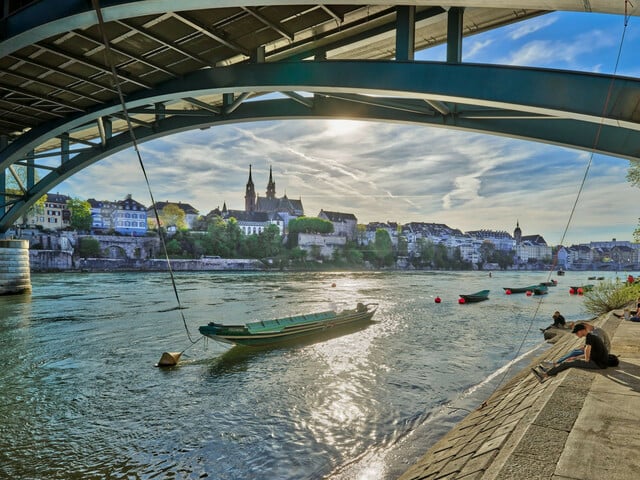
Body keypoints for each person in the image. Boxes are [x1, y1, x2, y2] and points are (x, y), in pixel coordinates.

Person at [532, 324, 609, 383]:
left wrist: (576, 358)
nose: (576, 335)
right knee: (569, 360)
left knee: (567, 363)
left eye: (577, 333)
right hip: (599, 361)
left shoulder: (590, 337)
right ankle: (548, 372)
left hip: (598, 363)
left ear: (582, 330)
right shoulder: (591, 336)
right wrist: (577, 358)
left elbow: (589, 356)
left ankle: (544, 375)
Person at [541, 321, 611, 367]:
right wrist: (584, 347)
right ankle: (555, 363)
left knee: (574, 355)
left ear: (585, 327)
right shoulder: (592, 331)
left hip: (602, 354)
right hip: (596, 351)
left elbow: (598, 349)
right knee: (574, 351)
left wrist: (581, 356)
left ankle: (555, 364)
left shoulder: (597, 333)